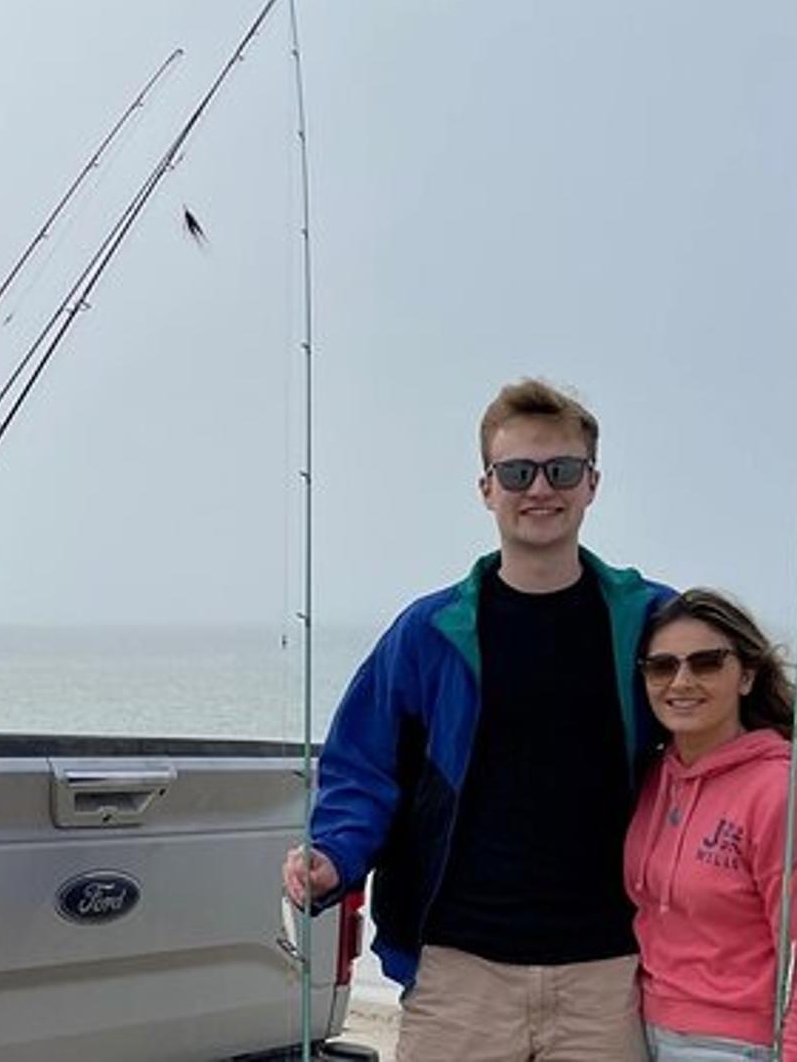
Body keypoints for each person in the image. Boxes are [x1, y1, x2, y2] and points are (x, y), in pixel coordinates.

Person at [282, 378, 673, 1062]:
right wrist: (332, 855)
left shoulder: (652, 620)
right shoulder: (427, 632)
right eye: (517, 471)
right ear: (487, 487)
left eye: (563, 469)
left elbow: (738, 733)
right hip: (459, 972)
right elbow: (362, 769)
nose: (540, 488)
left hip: (610, 971)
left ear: (592, 483)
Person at [625, 589, 797, 1062]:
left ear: (747, 675)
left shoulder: (789, 797)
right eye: (662, 666)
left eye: (707, 663)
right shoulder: (653, 779)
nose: (682, 681)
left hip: (739, 1048)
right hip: (640, 1035)